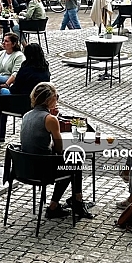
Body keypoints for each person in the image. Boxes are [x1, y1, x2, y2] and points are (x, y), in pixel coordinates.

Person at [21, 82, 93, 219]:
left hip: (25, 166)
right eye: (56, 97)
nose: (57, 99)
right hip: (42, 169)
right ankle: (67, 203)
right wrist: (52, 117)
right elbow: (59, 148)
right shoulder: (50, 119)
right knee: (75, 160)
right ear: (49, 100)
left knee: (73, 160)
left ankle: (73, 200)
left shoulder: (27, 115)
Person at [0, 43, 50, 145]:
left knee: (1, 98)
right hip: (38, 103)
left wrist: (8, 87)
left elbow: (16, 88)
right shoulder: (45, 69)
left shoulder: (26, 68)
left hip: (21, 102)